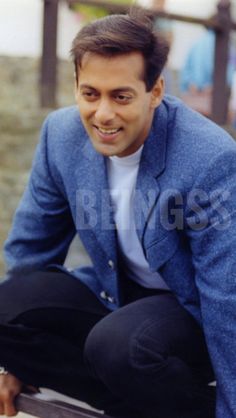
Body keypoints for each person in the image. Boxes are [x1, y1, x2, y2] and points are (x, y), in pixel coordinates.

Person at [0, 7, 235, 418]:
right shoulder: (61, 135)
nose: (103, 114)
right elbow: (30, 251)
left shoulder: (209, 160)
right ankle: (139, 403)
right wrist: (14, 357)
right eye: (90, 94)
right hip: (116, 293)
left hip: (191, 308)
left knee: (118, 346)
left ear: (156, 91)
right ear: (76, 86)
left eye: (121, 96)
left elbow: (225, 296)